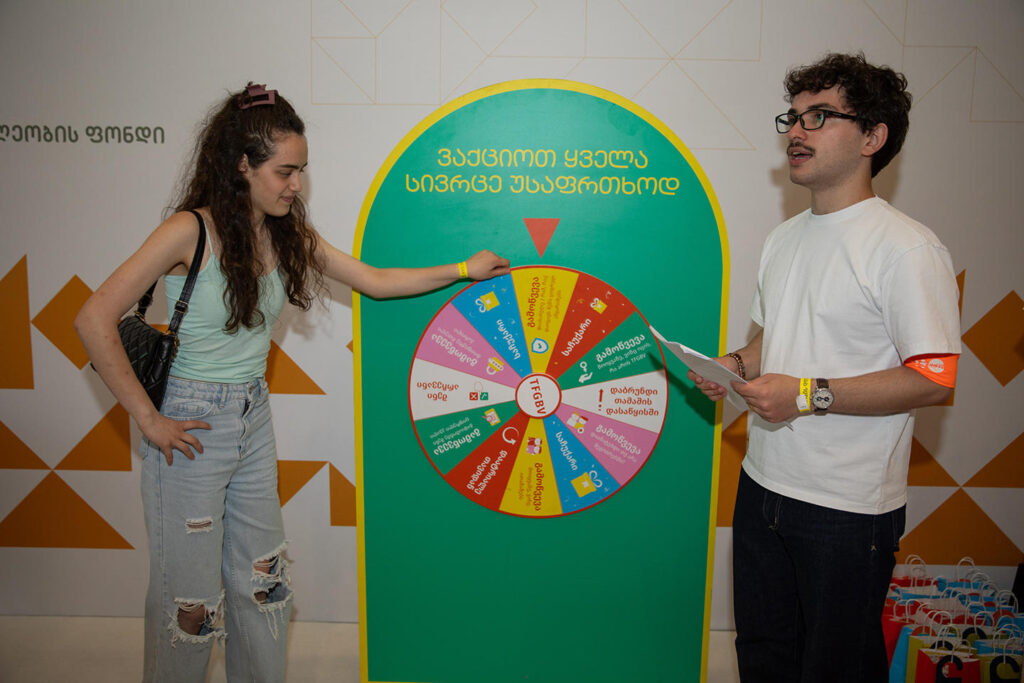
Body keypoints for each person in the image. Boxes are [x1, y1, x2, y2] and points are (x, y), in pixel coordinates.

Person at [75, 82, 510, 682]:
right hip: (191, 427)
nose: (296, 185)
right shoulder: (187, 231)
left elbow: (375, 280)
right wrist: (148, 420)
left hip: (252, 419)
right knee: (190, 606)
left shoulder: (285, 232)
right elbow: (93, 318)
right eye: (284, 171)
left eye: (300, 170)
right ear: (242, 165)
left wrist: (464, 269)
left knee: (264, 584)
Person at [688, 54, 961, 681]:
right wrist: (731, 364)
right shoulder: (785, 237)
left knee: (836, 667)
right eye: (793, 117)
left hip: (847, 509)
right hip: (762, 484)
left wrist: (807, 394)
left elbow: (933, 378)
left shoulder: (907, 248)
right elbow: (774, 339)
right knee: (763, 655)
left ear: (872, 137)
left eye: (818, 116)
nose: (796, 131)